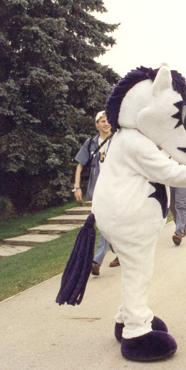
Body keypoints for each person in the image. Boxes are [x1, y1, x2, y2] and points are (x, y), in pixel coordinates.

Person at [72, 111, 118, 275]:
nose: (106, 124)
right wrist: (77, 186)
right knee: (103, 222)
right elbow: (80, 165)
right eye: (103, 121)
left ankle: (96, 261)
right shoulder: (90, 143)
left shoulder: (117, 141)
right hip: (97, 189)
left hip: (114, 188)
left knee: (105, 222)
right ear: (96, 124)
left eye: (108, 121)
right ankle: (119, 252)